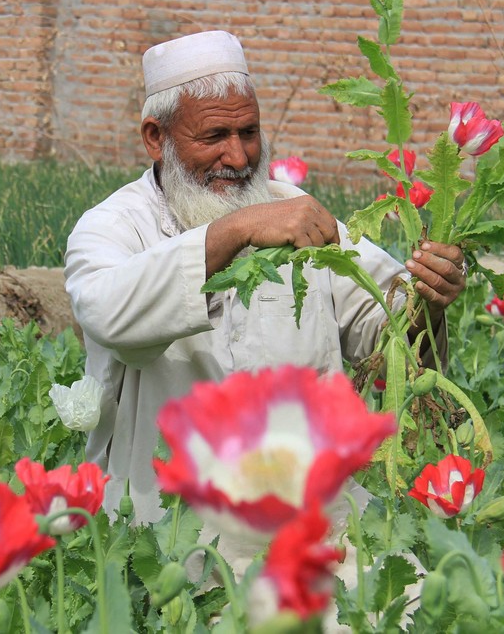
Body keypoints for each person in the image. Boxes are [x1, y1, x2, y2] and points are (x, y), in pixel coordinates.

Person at [64, 30, 466, 524]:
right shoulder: (114, 227)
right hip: (172, 532)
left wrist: (430, 298)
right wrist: (238, 228)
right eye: (214, 137)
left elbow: (392, 336)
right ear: (156, 137)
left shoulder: (298, 216)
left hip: (308, 517)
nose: (238, 157)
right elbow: (106, 313)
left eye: (248, 133)